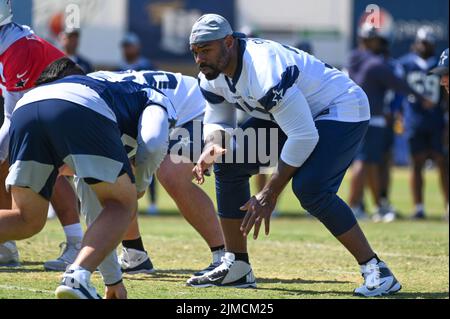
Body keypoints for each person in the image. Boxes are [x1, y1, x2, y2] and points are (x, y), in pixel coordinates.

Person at [186, 14, 401, 297]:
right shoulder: (212, 76)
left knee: (310, 189)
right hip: (290, 116)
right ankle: (236, 265)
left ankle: (377, 270)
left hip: (340, 107)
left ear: (228, 42)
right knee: (228, 161)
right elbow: (218, 117)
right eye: (195, 52)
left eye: (206, 50)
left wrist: (270, 192)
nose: (200, 59)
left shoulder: (263, 71)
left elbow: (304, 136)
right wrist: (213, 143)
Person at [0, 57, 176, 299]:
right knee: (122, 205)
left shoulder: (103, 90)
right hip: (79, 108)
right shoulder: (151, 95)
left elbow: (95, 213)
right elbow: (155, 143)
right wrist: (140, 185)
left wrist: (113, 280)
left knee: (26, 219)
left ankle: (80, 276)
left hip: (25, 107)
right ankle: (77, 276)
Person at [83, 70, 226, 277]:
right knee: (120, 178)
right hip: (159, 110)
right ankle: (135, 254)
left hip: (197, 107)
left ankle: (224, 255)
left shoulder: (93, 94)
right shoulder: (91, 89)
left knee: (171, 174)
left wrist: (140, 184)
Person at [0, 0, 83, 270]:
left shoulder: (17, 47)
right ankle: (5, 243)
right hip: (46, 110)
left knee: (44, 164)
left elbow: (14, 119)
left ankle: (76, 243)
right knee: (13, 161)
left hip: (72, 110)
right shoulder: (8, 43)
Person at [346, 20, 434, 221]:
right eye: (376, 40)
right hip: (373, 119)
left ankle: (372, 205)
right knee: (365, 162)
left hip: (353, 117)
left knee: (366, 162)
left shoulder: (353, 59)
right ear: (370, 41)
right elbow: (399, 85)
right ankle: (357, 206)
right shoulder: (375, 64)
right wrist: (422, 98)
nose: (379, 43)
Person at [397, 28, 449, 220]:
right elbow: (398, 92)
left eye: (428, 43)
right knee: (416, 163)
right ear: (416, 42)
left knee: (443, 163)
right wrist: (400, 116)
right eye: (422, 42)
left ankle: (447, 206)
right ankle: (418, 207)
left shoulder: (439, 63)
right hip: (414, 121)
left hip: (436, 121)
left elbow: (444, 95)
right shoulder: (405, 63)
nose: (425, 46)